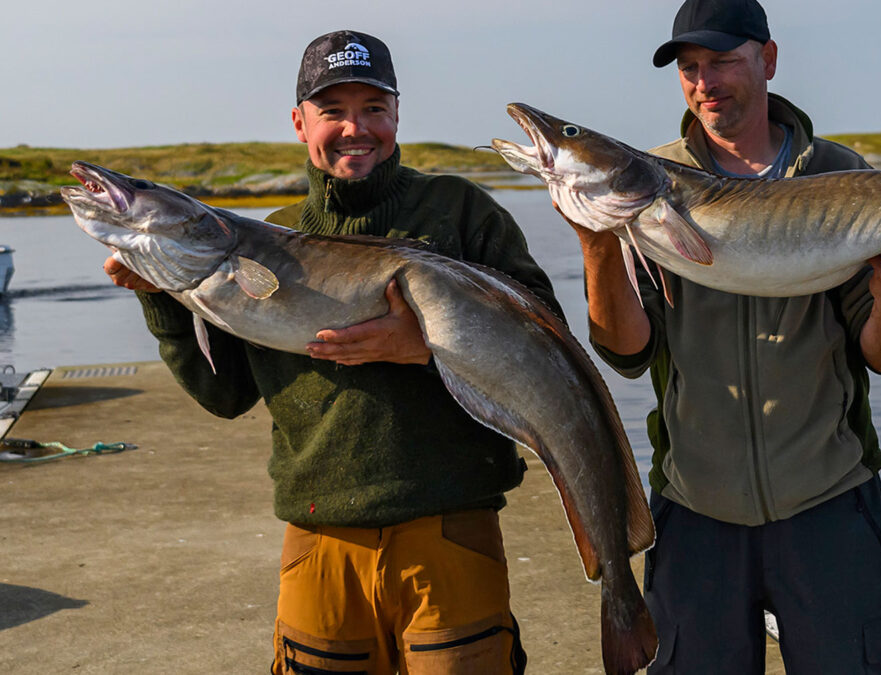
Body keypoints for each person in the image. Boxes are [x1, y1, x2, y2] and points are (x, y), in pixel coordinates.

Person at [105, 30, 560, 675]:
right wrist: (161, 297)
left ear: (397, 114)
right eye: (333, 111)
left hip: (452, 533)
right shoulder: (265, 240)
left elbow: (546, 343)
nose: (356, 128)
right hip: (318, 543)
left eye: (374, 108)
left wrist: (426, 345)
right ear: (299, 123)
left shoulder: (461, 213)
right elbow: (225, 394)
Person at [565, 1, 881, 672]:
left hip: (830, 504)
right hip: (697, 511)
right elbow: (628, 352)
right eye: (690, 68)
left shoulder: (840, 175)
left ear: (769, 59)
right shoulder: (647, 181)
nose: (705, 83)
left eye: (723, 61)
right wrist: (598, 249)